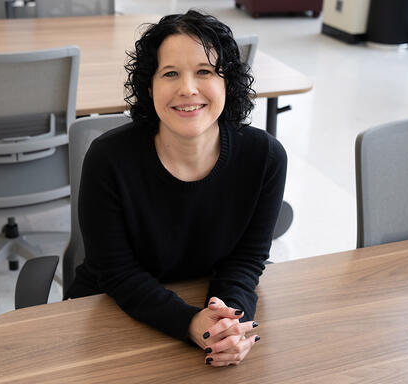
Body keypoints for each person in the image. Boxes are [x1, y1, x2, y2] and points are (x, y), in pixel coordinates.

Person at [66, 10, 287, 367]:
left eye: (205, 71)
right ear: (148, 86)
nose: (188, 88)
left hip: (202, 309)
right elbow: (117, 272)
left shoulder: (265, 157)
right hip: (113, 313)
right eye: (170, 73)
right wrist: (189, 323)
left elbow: (245, 262)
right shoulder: (108, 159)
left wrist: (228, 321)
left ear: (227, 82)